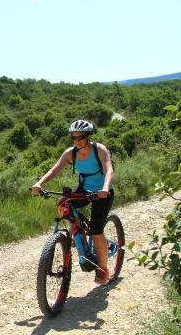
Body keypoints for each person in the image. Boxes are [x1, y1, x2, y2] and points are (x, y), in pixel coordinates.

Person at [31, 119, 114, 284]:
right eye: (74, 138)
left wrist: (105, 187)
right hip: (84, 189)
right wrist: (39, 183)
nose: (77, 141)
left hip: (102, 192)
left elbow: (108, 169)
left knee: (97, 231)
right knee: (63, 203)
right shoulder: (71, 153)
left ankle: (103, 269)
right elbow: (54, 170)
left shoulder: (99, 150)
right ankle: (78, 231)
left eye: (80, 137)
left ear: (89, 136)